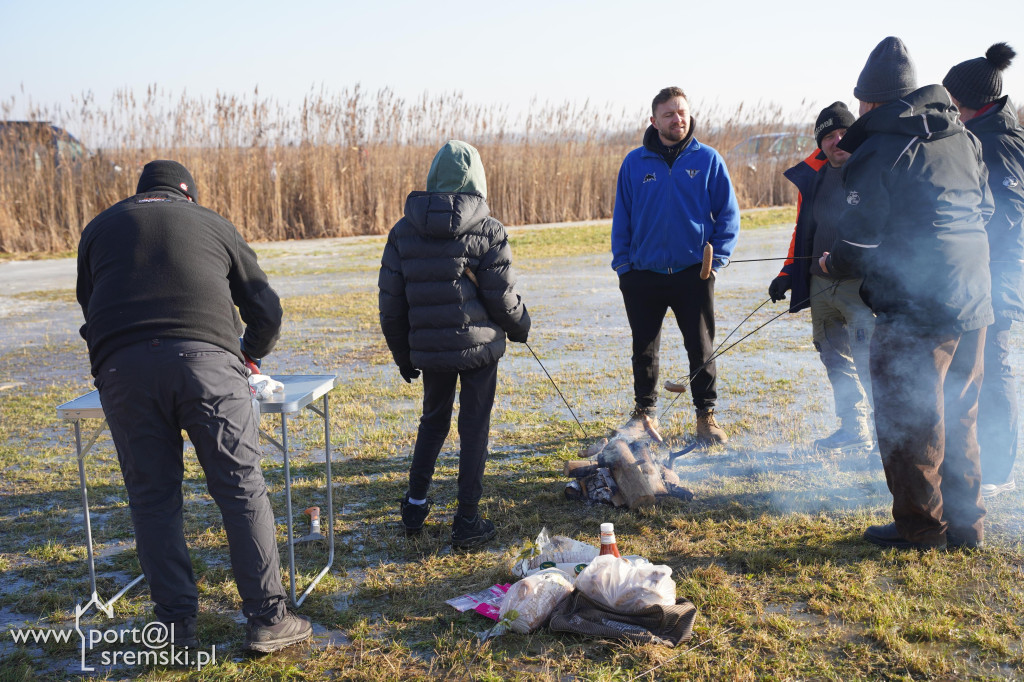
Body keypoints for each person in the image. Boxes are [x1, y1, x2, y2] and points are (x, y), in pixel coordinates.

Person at [76, 160, 312, 652]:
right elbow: (266, 309)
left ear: (140, 193)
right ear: (188, 196)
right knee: (240, 489)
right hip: (208, 366)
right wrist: (249, 354)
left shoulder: (98, 228)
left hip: (123, 371)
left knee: (152, 499)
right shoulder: (212, 223)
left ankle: (175, 628)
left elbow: (90, 309)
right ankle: (269, 620)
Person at [822, 37, 994, 550]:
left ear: (868, 102)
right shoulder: (961, 135)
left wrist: (836, 262)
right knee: (959, 415)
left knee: (909, 419)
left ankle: (920, 529)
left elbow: (859, 240)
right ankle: (966, 526)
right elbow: (983, 209)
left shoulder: (880, 148)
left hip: (916, 308)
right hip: (973, 296)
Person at [378, 140, 531, 550]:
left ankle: (414, 506)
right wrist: (521, 326)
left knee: (433, 421)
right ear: (477, 179)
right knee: (474, 427)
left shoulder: (403, 232)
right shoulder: (489, 229)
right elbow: (502, 298)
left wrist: (403, 356)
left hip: (431, 351)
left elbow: (391, 305)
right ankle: (467, 520)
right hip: (479, 349)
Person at [611, 86, 741, 444]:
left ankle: (705, 416)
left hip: (693, 274)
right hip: (643, 274)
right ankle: (644, 415)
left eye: (681, 112)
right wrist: (624, 266)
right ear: (654, 121)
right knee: (644, 349)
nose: (677, 119)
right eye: (668, 114)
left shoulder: (708, 159)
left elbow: (728, 215)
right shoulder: (634, 163)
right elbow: (622, 217)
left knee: (701, 347)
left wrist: (716, 260)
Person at [769, 102, 875, 452]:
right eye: (829, 136)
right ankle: (854, 427)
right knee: (833, 357)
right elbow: (802, 232)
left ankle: (886, 436)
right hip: (820, 286)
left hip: (860, 286)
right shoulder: (812, 179)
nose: (838, 140)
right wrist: (787, 273)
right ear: (820, 143)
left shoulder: (872, 171)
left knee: (870, 360)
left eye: (844, 132)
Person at [943, 43, 1024, 500]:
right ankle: (973, 461)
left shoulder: (999, 142)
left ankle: (997, 470)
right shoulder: (981, 134)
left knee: (994, 368)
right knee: (977, 368)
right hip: (981, 272)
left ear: (970, 101)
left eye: (952, 99)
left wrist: (964, 243)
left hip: (999, 274)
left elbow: (1008, 213)